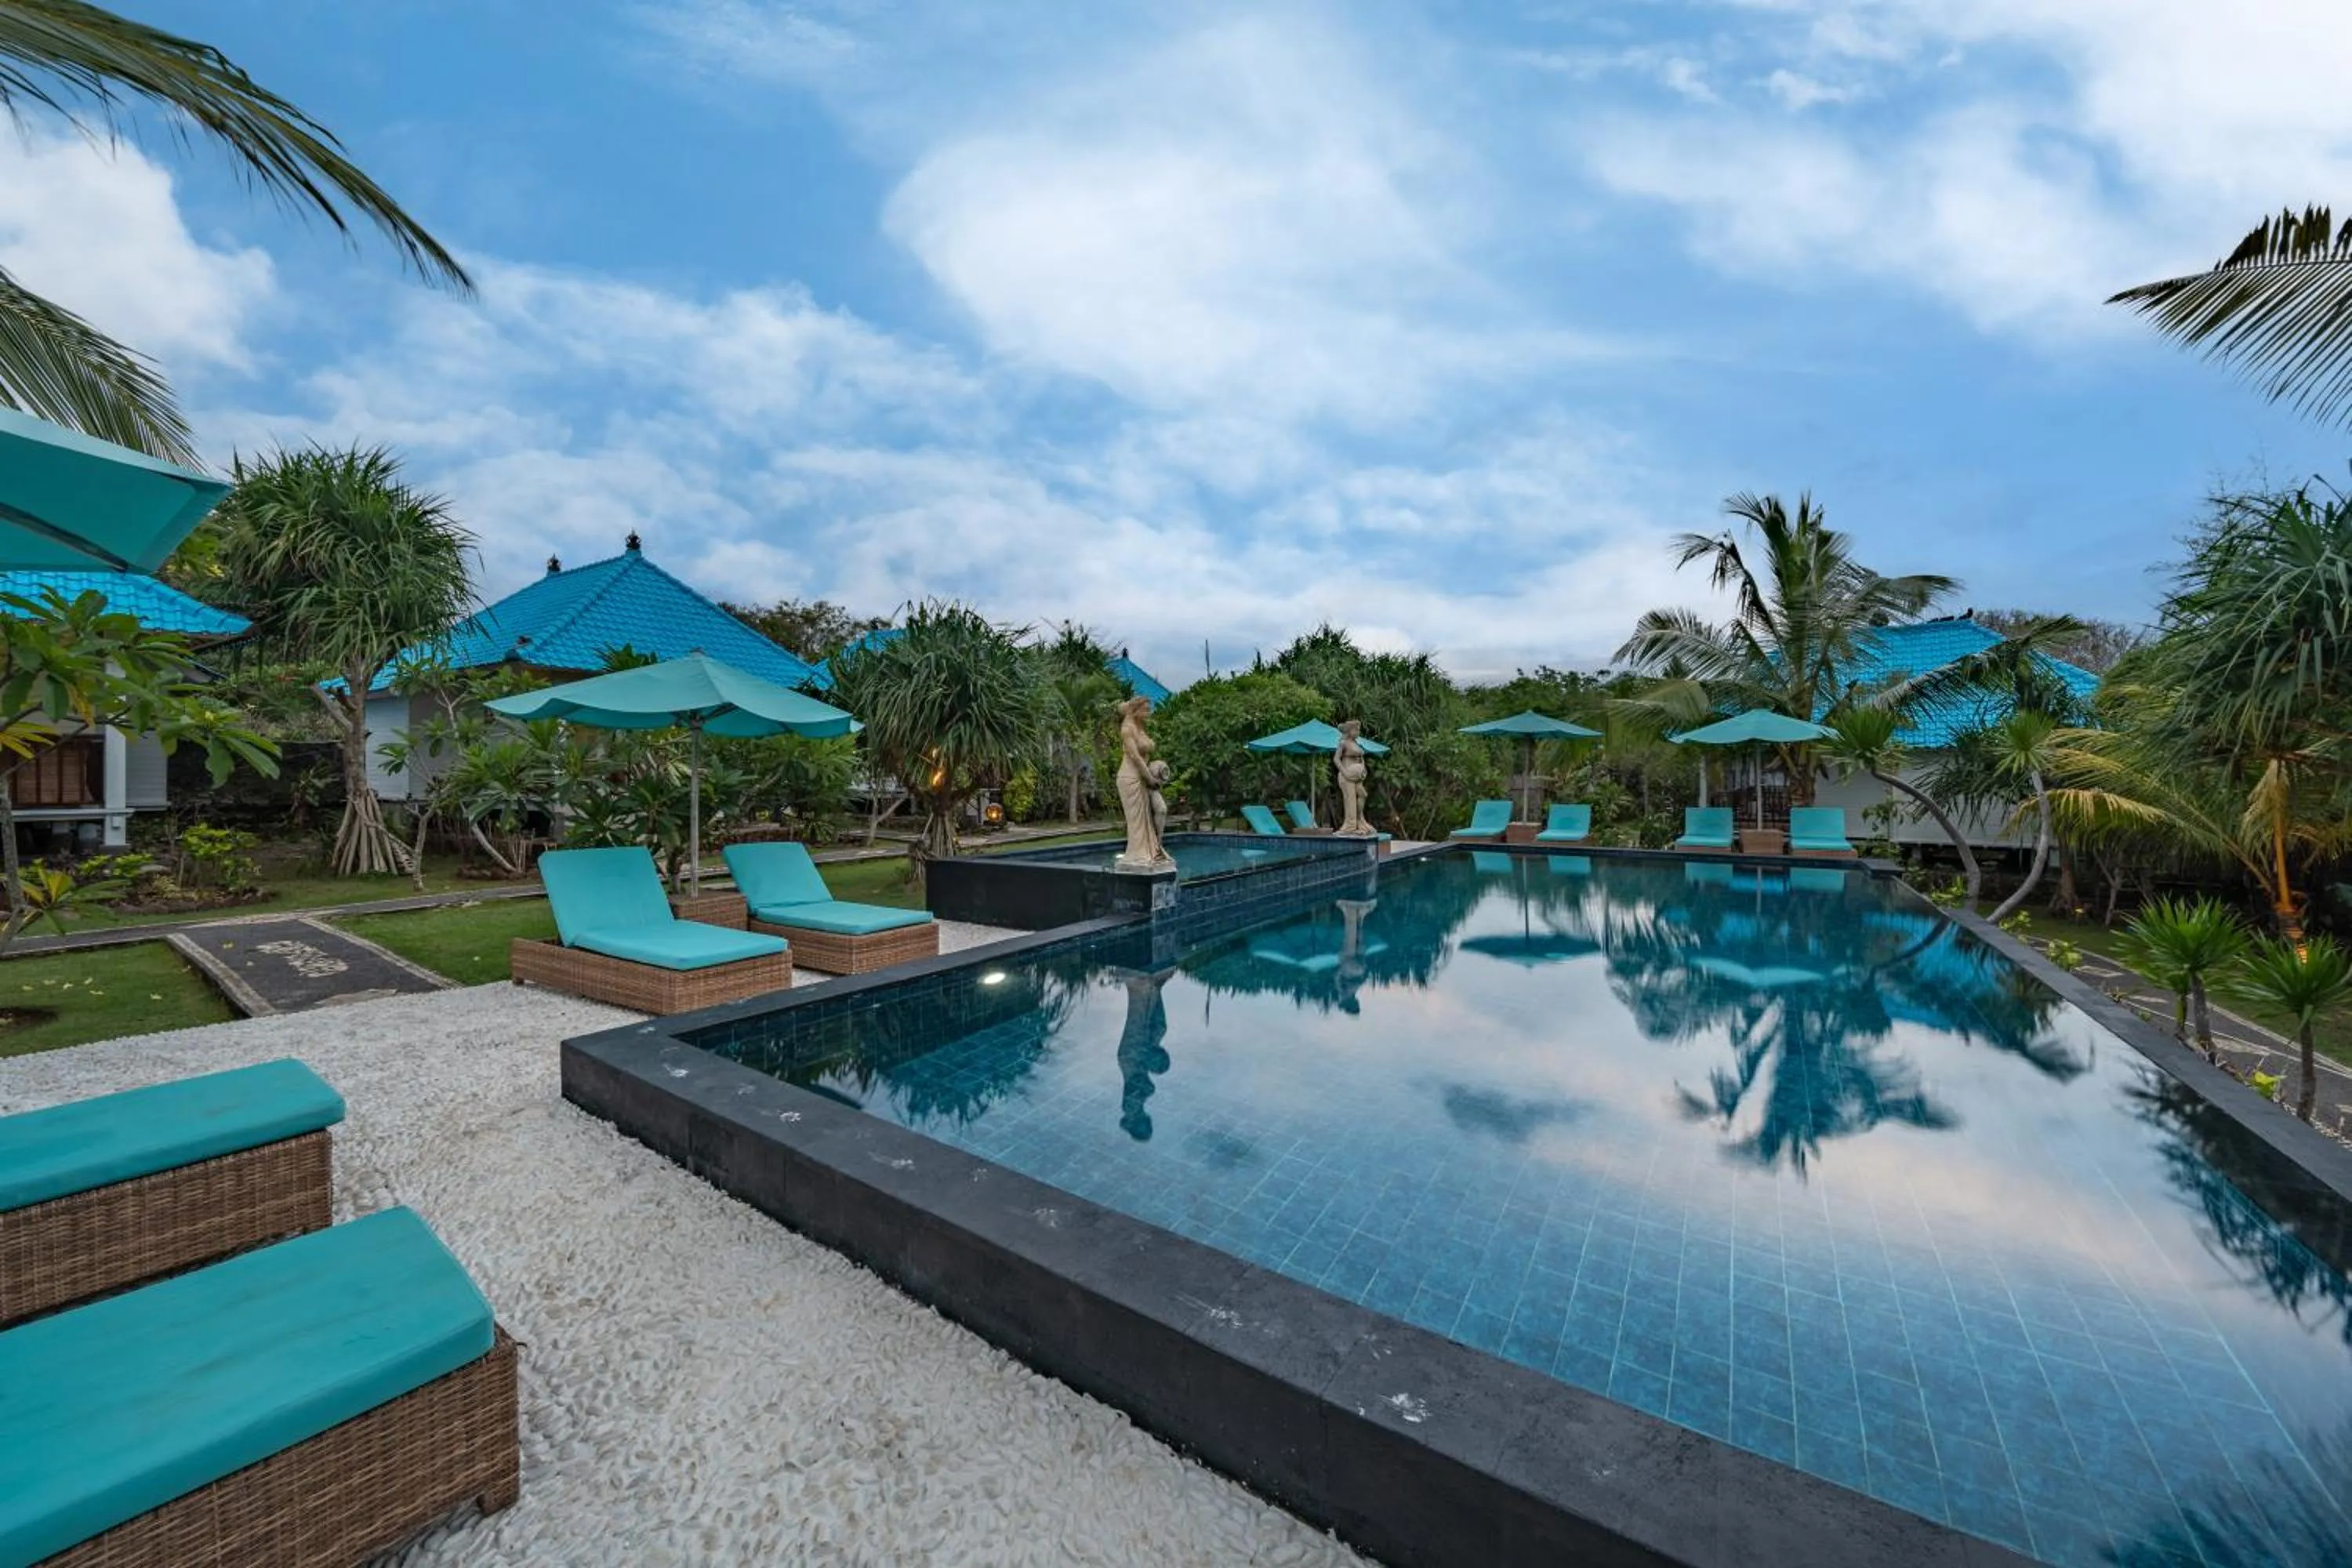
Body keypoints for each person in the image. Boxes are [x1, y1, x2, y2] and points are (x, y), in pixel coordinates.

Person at [1114, 695, 1172, 869]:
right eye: (1146, 709)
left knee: (1161, 810)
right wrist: (1150, 779)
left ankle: (1156, 849)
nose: (1149, 713)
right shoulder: (1127, 729)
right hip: (1130, 779)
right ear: (1136, 710)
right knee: (1137, 823)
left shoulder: (1140, 728)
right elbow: (1136, 758)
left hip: (1145, 778)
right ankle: (1139, 855)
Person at [1335, 719, 1374, 837]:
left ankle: (1360, 820)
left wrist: (1364, 771)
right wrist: (1345, 772)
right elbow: (1336, 759)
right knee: (1350, 800)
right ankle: (1350, 826)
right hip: (1347, 775)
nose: (1358, 732)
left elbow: (1361, 759)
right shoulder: (1344, 743)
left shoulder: (1356, 744)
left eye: (1359, 730)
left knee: (1363, 795)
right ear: (1349, 731)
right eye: (1355, 729)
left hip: (1357, 776)